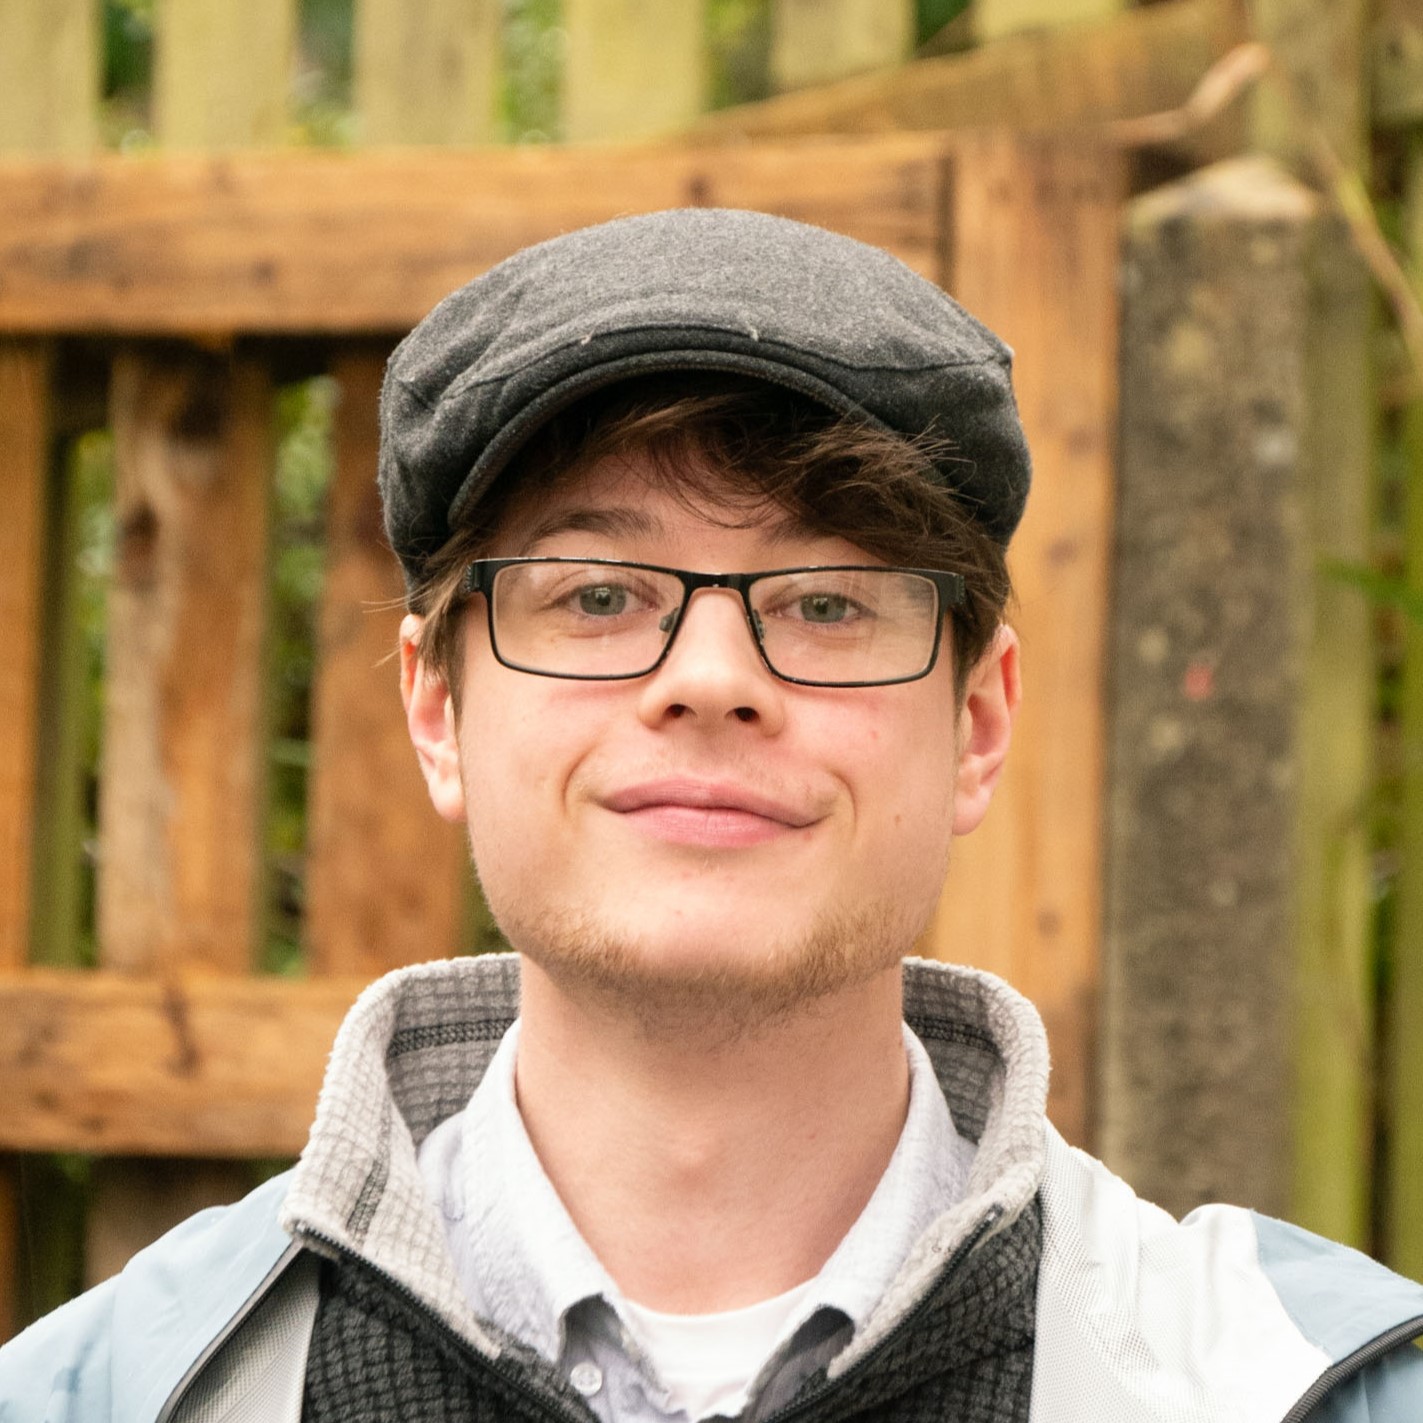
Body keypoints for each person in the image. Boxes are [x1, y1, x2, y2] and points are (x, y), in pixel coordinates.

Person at [2, 209, 1421, 1423]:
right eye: (598, 597)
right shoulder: (107, 1395)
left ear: (978, 723)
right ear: (436, 708)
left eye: (825, 603)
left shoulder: (1302, 1389)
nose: (710, 681)